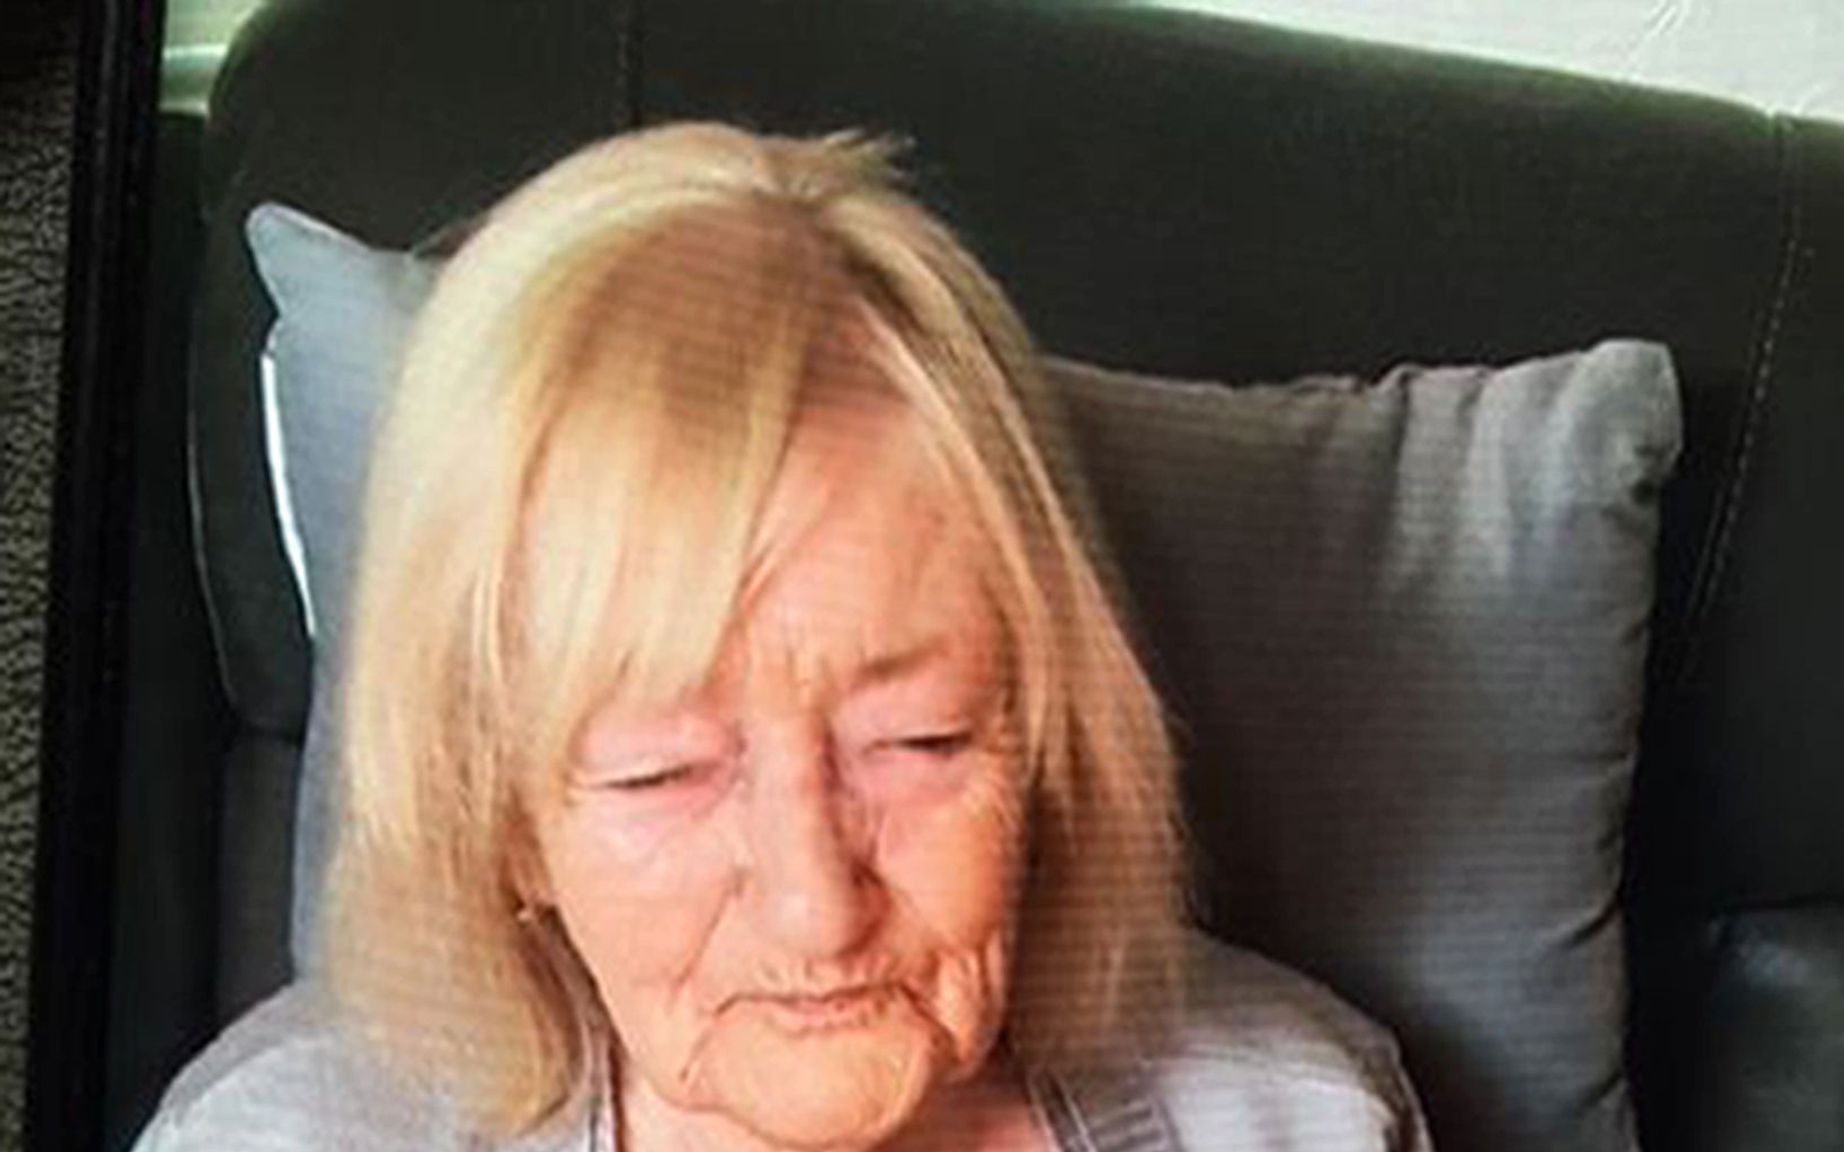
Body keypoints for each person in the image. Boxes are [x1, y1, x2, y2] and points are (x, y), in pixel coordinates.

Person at [134, 123, 1434, 1151]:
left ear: (1048, 739)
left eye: (918, 742)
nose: (817, 912)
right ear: (505, 818)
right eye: (663, 772)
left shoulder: (1304, 1120)